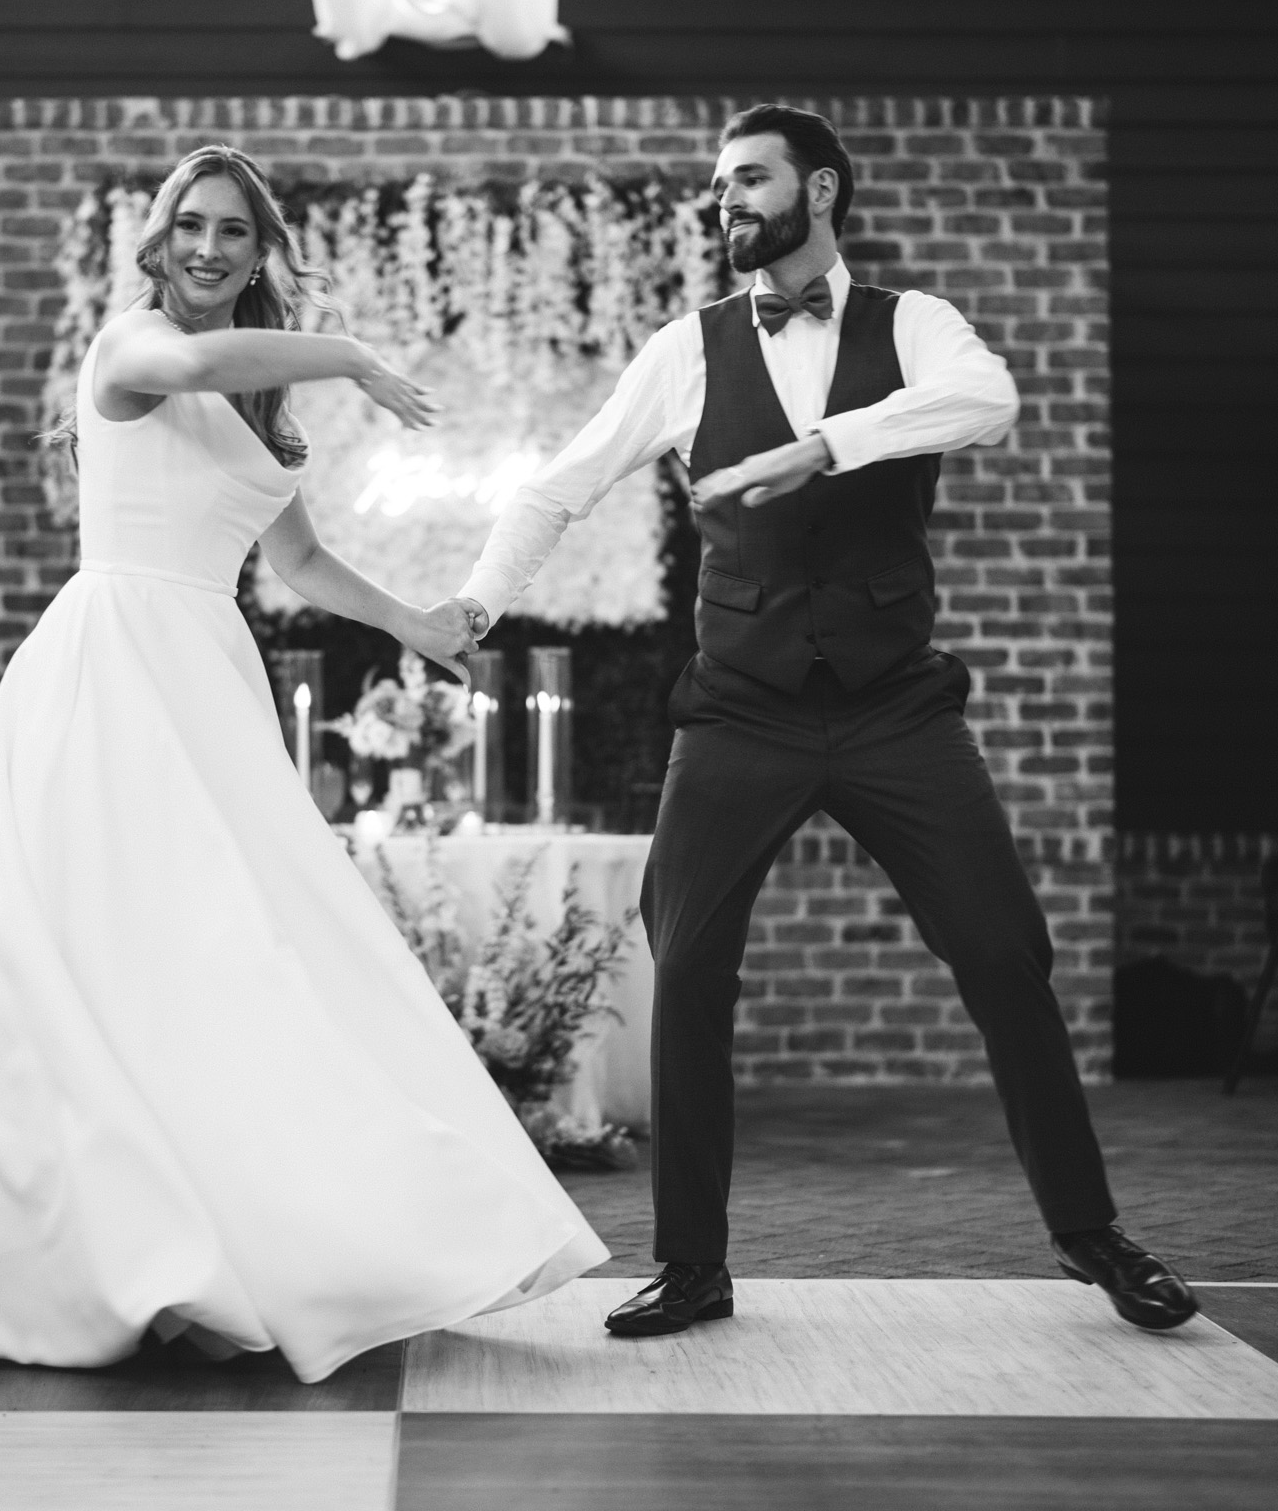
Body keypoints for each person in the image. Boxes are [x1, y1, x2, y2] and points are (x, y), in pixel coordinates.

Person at [0, 145, 606, 1384]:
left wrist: (419, 625)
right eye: (191, 224)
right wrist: (345, 353)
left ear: (258, 251)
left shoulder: (262, 414)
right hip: (109, 664)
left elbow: (303, 565)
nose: (210, 247)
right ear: (160, 239)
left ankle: (210, 1242)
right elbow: (189, 362)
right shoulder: (130, 348)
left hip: (206, 681)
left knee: (221, 952)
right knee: (56, 941)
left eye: (235, 230)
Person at [450, 105, 1197, 1339]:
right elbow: (560, 486)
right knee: (685, 971)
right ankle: (692, 1265)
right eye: (718, 184)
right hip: (739, 709)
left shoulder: (919, 328)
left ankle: (1092, 1235)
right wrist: (476, 605)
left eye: (750, 178)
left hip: (896, 708)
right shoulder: (683, 351)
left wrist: (825, 447)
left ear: (825, 189)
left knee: (1005, 955)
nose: (726, 201)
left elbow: (987, 403)